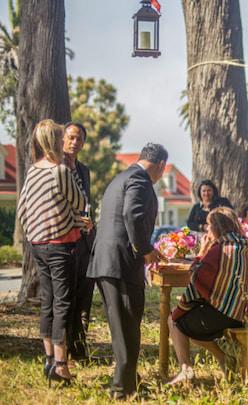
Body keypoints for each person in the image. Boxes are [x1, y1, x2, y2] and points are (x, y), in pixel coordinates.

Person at [87, 143, 165, 399]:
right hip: (120, 261)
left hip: (106, 260)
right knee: (127, 324)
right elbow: (132, 214)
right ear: (161, 166)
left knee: (122, 324)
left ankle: (129, 378)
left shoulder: (122, 177)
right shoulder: (140, 181)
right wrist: (144, 248)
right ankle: (122, 389)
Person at [17, 120, 88, 386]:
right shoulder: (61, 171)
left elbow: (23, 210)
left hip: (38, 246)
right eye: (61, 138)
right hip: (61, 246)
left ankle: (49, 360)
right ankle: (61, 365)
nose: (64, 142)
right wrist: (74, 221)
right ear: (54, 141)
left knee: (48, 301)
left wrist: (38, 232)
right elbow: (79, 202)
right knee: (63, 303)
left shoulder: (33, 171)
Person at [167, 207, 248, 385]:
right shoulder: (246, 247)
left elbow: (196, 277)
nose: (206, 229)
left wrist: (202, 251)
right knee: (188, 318)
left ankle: (186, 368)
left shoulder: (218, 250)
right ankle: (224, 359)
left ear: (216, 227)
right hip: (243, 314)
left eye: (208, 225)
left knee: (175, 319)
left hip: (222, 314)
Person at [63, 122, 95, 361]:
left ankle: (80, 347)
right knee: (68, 296)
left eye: (79, 139)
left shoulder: (84, 170)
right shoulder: (55, 167)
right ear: (63, 139)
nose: (75, 143)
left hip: (85, 240)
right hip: (63, 239)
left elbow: (86, 202)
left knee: (85, 293)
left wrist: (89, 222)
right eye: (71, 137)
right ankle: (64, 347)